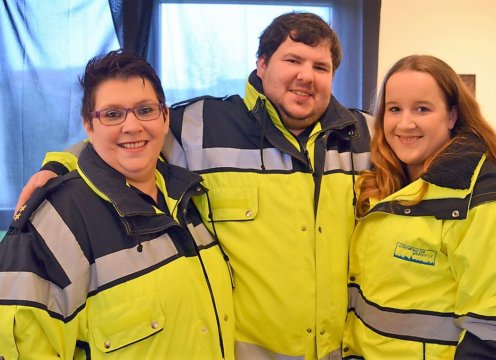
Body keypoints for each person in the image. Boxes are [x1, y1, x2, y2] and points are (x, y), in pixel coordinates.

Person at [13, 12, 373, 359]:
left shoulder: (365, 137)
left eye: (320, 67)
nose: (306, 76)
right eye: (293, 60)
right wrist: (59, 165)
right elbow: (130, 134)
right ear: (262, 65)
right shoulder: (202, 126)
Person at [0, 50, 235, 359]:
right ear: (88, 124)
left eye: (145, 110)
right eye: (112, 114)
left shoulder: (191, 200)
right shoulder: (55, 222)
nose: (132, 126)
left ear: (164, 118)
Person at [342, 54, 496, 359]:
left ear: (451, 116)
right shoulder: (379, 186)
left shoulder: (493, 201)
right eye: (394, 109)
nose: (405, 124)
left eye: (422, 108)